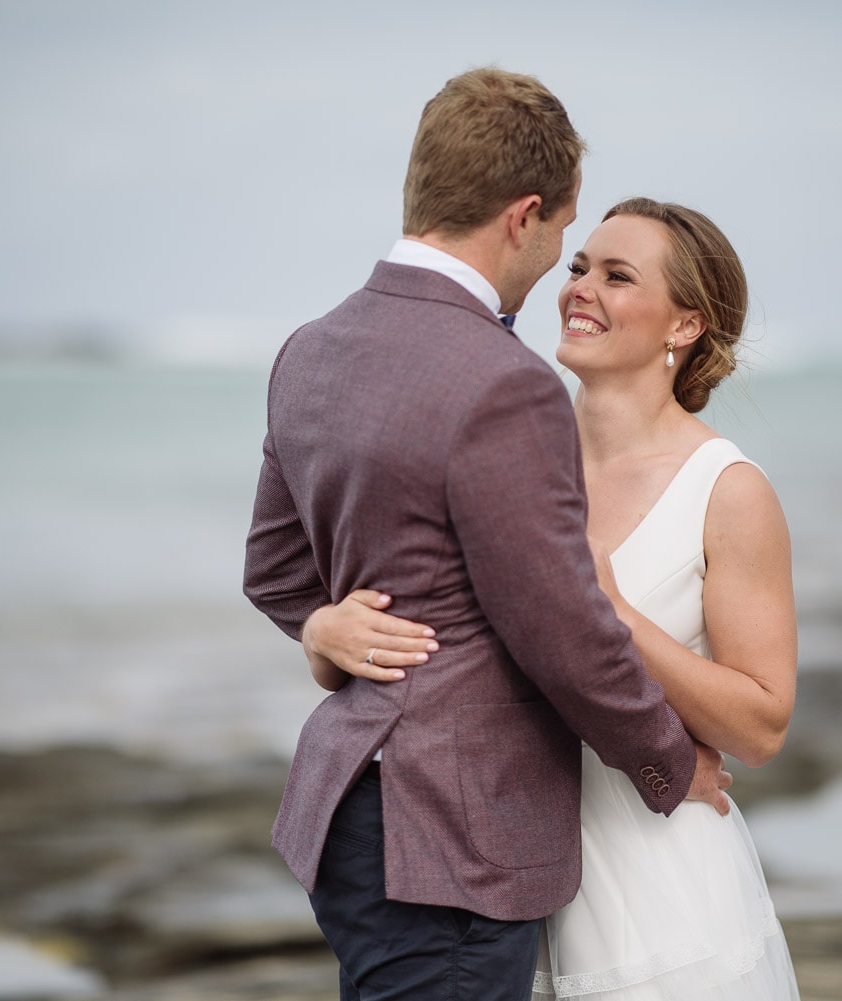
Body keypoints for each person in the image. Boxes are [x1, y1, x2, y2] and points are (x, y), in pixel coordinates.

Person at [242, 70, 731, 1001]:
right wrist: (671, 761)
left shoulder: (309, 347)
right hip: (449, 839)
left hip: (351, 813)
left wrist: (317, 623)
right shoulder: (503, 380)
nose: (559, 267)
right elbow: (561, 627)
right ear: (525, 215)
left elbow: (272, 569)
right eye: (561, 239)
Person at [304, 197, 801, 999]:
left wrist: (616, 615)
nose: (579, 288)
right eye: (578, 266)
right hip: (485, 870)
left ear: (685, 326)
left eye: (617, 276)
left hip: (652, 887)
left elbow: (762, 722)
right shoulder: (505, 447)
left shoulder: (728, 490)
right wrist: (323, 628)